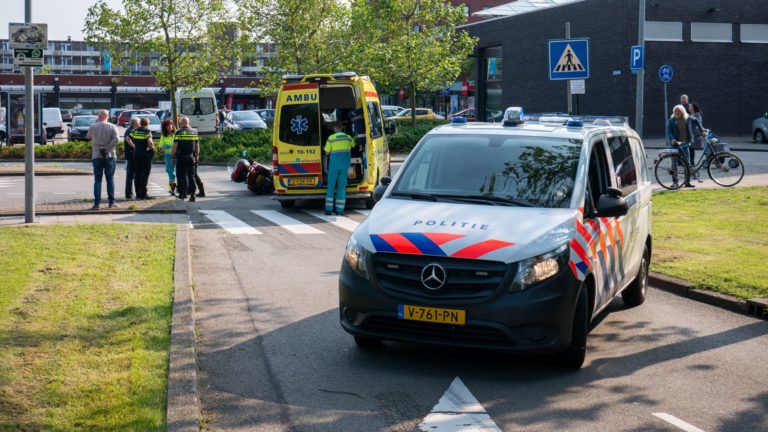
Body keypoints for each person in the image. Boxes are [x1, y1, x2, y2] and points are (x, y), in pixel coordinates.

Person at [85, 110, 119, 209]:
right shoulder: (113, 126)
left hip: (96, 155)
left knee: (98, 180)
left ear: (99, 117)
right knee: (110, 179)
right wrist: (107, 148)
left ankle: (97, 204)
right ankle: (111, 202)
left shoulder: (93, 126)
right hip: (110, 155)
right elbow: (117, 139)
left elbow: (87, 136)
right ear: (107, 117)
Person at [323, 122, 354, 215]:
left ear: (334, 129)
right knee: (341, 188)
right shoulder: (348, 138)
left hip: (334, 166)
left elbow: (327, 152)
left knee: (331, 186)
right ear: (342, 128)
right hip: (345, 166)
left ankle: (328, 210)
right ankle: (339, 211)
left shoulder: (331, 138)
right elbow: (353, 145)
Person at [666, 104, 696, 188]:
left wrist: (702, 129)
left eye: (678, 111)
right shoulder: (671, 120)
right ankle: (675, 182)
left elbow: (696, 120)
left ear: (682, 111)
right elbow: (669, 132)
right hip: (675, 145)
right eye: (675, 111)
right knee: (674, 164)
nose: (677, 112)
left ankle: (687, 182)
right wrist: (672, 139)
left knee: (687, 163)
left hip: (685, 144)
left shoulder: (687, 118)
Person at [172, 117, 199, 202]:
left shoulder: (178, 132)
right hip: (191, 157)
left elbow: (175, 146)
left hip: (181, 157)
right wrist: (197, 155)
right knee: (191, 176)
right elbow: (197, 145)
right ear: (188, 122)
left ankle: (182, 194)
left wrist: (172, 156)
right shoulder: (194, 132)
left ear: (180, 123)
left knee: (181, 175)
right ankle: (193, 194)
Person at [128, 117, 155, 200]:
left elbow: (127, 138)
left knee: (137, 174)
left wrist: (134, 146)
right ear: (147, 124)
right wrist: (152, 148)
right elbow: (150, 142)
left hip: (136, 154)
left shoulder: (134, 131)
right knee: (145, 174)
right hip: (144, 154)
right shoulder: (147, 132)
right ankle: (143, 193)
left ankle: (138, 194)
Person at [158, 120, 177, 196]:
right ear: (165, 128)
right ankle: (172, 189)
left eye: (170, 126)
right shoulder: (163, 136)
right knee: (170, 172)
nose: (169, 128)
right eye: (167, 127)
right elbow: (160, 149)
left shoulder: (176, 134)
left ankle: (179, 188)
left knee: (179, 172)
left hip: (177, 155)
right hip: (168, 155)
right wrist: (165, 147)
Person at [123, 117, 140, 199]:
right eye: (139, 123)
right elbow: (127, 139)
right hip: (130, 156)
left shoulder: (130, 130)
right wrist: (135, 146)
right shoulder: (131, 131)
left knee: (131, 175)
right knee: (130, 176)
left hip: (130, 156)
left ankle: (129, 194)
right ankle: (128, 194)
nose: (140, 124)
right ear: (135, 123)